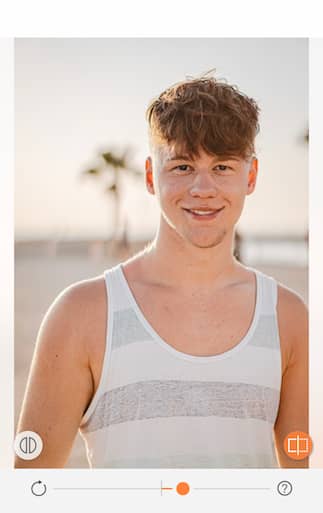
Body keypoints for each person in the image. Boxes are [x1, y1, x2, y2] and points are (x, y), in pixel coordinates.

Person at [15, 76, 308, 469]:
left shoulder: (288, 318)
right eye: (183, 166)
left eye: (222, 166)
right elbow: (32, 490)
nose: (203, 188)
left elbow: (299, 485)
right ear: (152, 177)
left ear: (250, 177)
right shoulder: (81, 315)